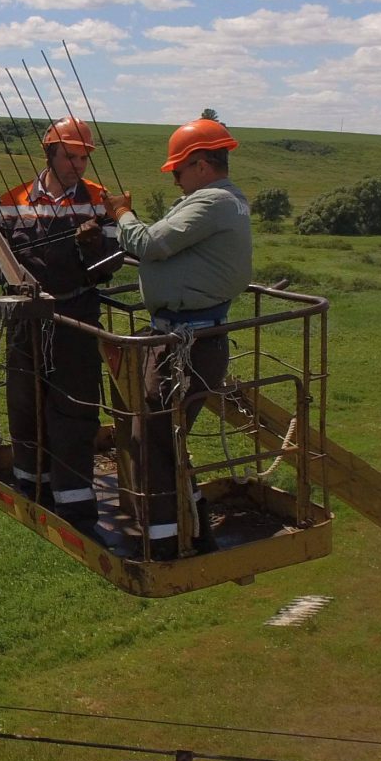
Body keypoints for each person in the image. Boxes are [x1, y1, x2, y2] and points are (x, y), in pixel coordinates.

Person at [104, 118, 252, 560]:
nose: (174, 177)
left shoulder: (211, 203)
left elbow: (149, 245)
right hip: (185, 337)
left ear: (202, 165)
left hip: (187, 342)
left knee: (154, 438)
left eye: (178, 170)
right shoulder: (224, 201)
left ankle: (168, 539)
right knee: (162, 437)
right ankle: (190, 526)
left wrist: (122, 214)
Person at [0, 117, 118, 532]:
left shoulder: (101, 200)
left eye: (84, 157)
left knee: (74, 411)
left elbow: (109, 266)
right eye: (71, 155)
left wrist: (98, 246)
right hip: (26, 320)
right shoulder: (14, 199)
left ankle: (76, 507)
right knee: (24, 402)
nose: (79, 165)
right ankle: (32, 488)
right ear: (50, 153)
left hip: (75, 319)